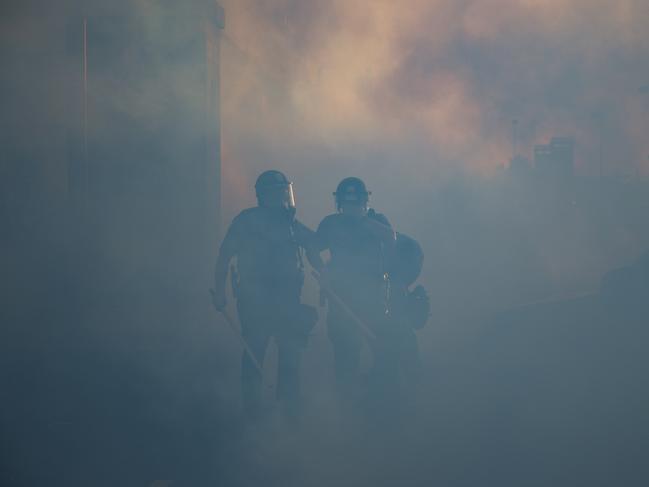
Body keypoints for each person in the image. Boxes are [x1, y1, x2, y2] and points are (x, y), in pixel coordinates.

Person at [211, 170, 317, 422]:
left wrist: (325, 267)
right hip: (255, 302)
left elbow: (313, 243)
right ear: (265, 195)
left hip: (287, 302)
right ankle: (254, 413)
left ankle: (287, 409)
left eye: (283, 192)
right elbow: (224, 256)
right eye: (277, 193)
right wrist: (220, 291)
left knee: (288, 354)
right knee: (255, 352)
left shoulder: (289, 223)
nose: (281, 198)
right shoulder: (247, 222)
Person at [307, 177, 397, 416]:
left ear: (365, 202)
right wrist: (323, 270)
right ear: (339, 204)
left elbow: (391, 238)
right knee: (345, 355)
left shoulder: (376, 222)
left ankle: (381, 406)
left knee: (382, 352)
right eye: (347, 205)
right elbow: (313, 247)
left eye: (356, 203)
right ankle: (347, 409)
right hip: (341, 299)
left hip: (372, 300)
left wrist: (365, 221)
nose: (351, 208)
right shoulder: (331, 224)